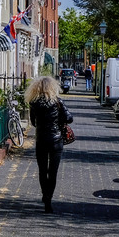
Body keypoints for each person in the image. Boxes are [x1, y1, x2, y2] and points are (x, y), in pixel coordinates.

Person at [24, 75, 73, 213]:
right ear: (52, 87)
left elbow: (33, 122)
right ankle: (48, 199)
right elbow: (69, 118)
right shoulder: (57, 102)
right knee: (53, 172)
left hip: (41, 140)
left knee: (42, 170)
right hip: (56, 141)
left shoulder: (33, 103)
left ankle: (45, 194)